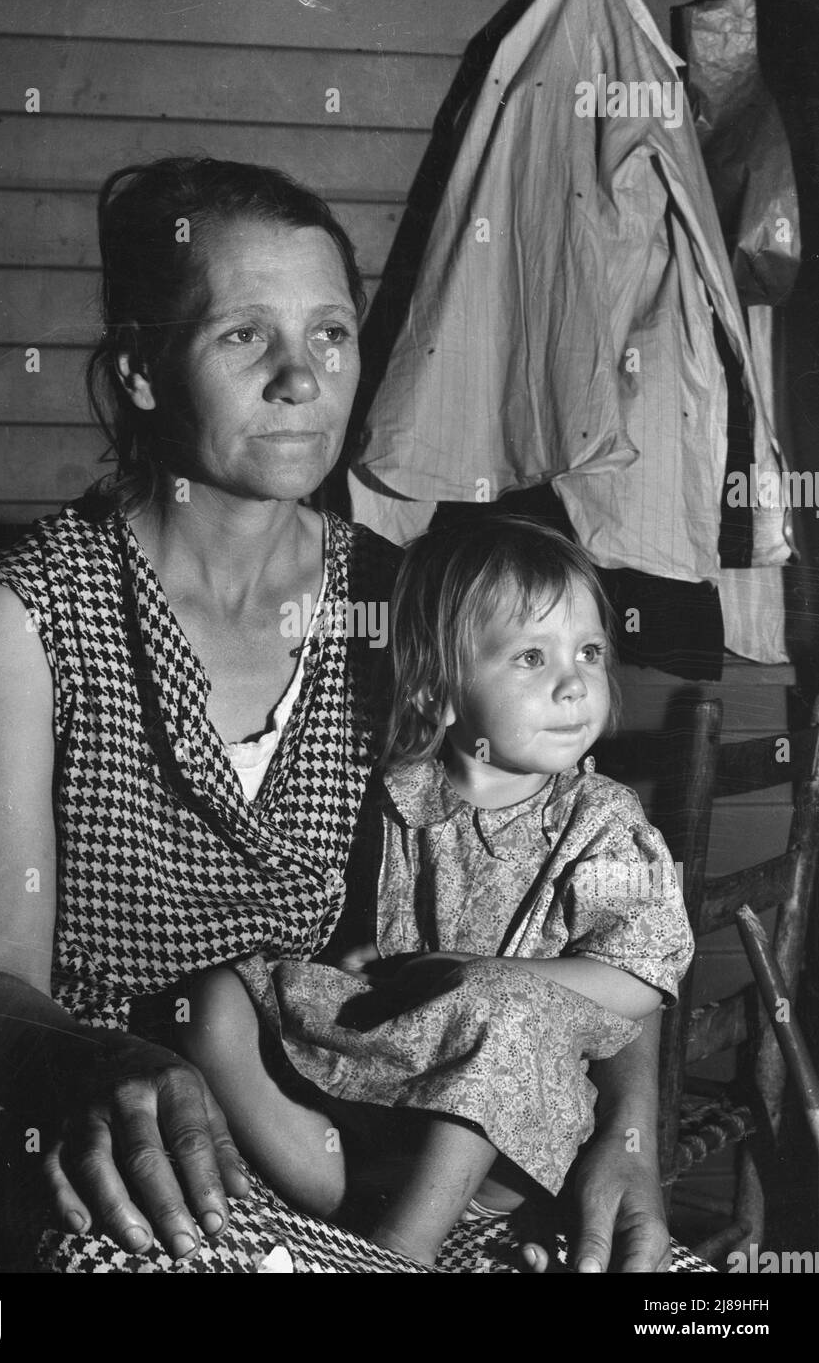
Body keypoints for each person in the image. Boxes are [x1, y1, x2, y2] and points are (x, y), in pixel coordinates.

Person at [0, 155, 677, 1273]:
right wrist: (101, 1062)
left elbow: (583, 867)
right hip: (127, 1135)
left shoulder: (409, 606)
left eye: (330, 334)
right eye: (244, 335)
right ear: (140, 369)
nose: (301, 378)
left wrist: (629, 1135)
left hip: (389, 1144)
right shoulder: (35, 610)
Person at [171, 517, 694, 1264]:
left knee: (503, 1011)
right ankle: (338, 1198)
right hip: (397, 1077)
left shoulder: (603, 820)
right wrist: (368, 962)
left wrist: (488, 978)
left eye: (588, 652)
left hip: (513, 1119)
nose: (575, 682)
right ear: (437, 691)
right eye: (532, 657)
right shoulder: (404, 790)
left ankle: (401, 1250)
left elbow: (642, 977)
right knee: (218, 998)